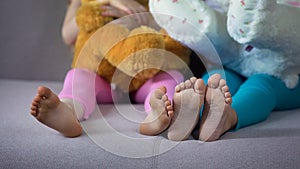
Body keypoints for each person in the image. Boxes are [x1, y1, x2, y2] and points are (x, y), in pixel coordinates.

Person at [143, 0, 300, 141]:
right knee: (215, 80)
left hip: (286, 70)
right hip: (234, 60)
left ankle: (224, 116)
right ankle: (179, 116)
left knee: (260, 84)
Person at [30, 0, 184, 137]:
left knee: (169, 78)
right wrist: (104, 3)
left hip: (143, 78)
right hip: (102, 79)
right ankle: (67, 110)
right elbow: (67, 34)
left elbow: (173, 28)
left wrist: (140, 18)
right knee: (78, 76)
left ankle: (157, 114)